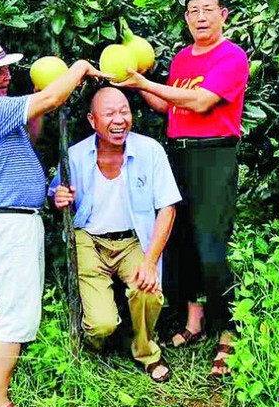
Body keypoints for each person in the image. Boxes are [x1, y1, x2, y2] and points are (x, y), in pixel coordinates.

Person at [0, 31, 106, 407]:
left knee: (13, 309)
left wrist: (36, 103)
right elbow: (51, 99)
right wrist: (79, 69)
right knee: (18, 314)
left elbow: (31, 133)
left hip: (15, 221)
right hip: (9, 225)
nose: (6, 76)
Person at [117, 0, 250, 376]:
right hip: (178, 154)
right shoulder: (180, 61)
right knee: (183, 245)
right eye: (193, 10)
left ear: (223, 14)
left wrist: (144, 82)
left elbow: (201, 101)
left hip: (213, 157)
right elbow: (170, 107)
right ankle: (194, 323)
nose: (200, 17)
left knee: (212, 247)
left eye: (208, 9)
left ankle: (228, 330)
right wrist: (137, 85)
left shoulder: (232, 57)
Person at [50, 87, 181, 382]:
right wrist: (58, 197)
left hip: (132, 239)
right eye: (109, 114)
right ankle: (99, 344)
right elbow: (56, 194)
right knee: (101, 325)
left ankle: (146, 351)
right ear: (92, 120)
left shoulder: (150, 151)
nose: (119, 119)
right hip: (89, 240)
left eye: (124, 111)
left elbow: (168, 208)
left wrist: (149, 263)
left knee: (147, 290)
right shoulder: (75, 155)